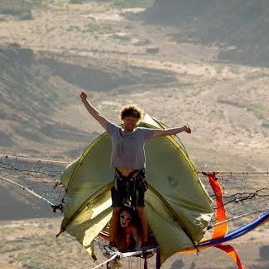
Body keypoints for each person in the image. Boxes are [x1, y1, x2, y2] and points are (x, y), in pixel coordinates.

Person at [79, 91, 191, 246]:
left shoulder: (141, 134)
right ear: (123, 119)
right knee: (116, 210)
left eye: (133, 120)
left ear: (137, 121)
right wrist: (85, 101)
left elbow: (164, 133)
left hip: (136, 178)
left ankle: (144, 242)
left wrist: (182, 128)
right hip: (120, 178)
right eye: (128, 120)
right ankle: (112, 242)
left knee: (139, 210)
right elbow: (97, 115)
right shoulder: (114, 131)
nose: (131, 122)